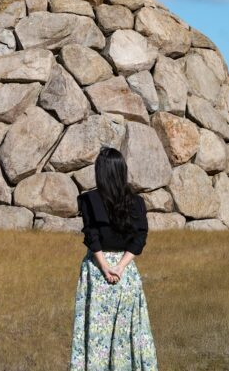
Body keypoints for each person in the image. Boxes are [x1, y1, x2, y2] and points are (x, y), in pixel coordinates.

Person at [69, 146, 158, 371]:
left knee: (96, 334)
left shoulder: (90, 200)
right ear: (121, 170)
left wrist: (105, 266)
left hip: (97, 274)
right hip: (125, 275)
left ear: (101, 172)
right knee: (126, 334)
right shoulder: (136, 202)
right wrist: (119, 266)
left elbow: (92, 236)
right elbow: (139, 238)